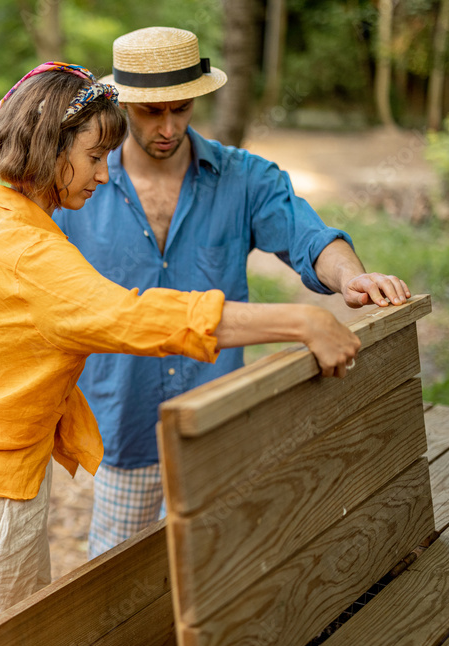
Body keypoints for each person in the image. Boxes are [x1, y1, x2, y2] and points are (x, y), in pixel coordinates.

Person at [0, 61, 360, 646]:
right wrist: (297, 320)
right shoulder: (29, 251)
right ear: (49, 145)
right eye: (93, 157)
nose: (100, 173)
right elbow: (135, 316)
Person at [52, 27, 413, 559]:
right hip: (121, 426)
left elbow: (308, 236)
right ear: (125, 104)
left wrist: (350, 277)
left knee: (220, 569)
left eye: (181, 109)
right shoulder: (81, 184)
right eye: (153, 113)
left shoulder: (245, 177)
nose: (169, 127)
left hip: (218, 423)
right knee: (119, 584)